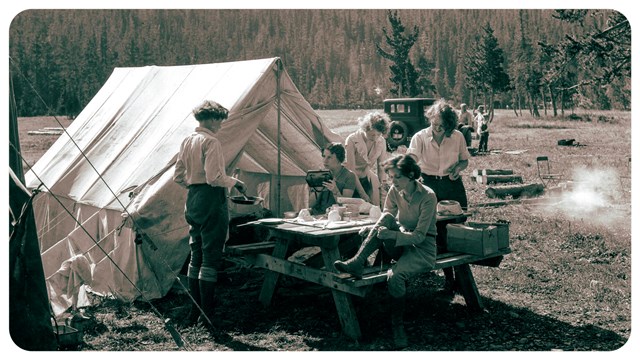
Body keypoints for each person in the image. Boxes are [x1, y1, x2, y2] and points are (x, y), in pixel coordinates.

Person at [334, 154, 437, 349]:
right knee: (387, 218)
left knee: (395, 277)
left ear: (412, 174)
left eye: (397, 177)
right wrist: (374, 229)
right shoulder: (394, 190)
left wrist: (390, 235)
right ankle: (358, 261)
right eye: (391, 177)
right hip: (400, 243)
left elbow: (420, 236)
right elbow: (386, 218)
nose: (393, 181)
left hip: (422, 249)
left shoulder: (428, 196)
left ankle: (397, 325)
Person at [173, 100, 246, 330]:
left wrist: (194, 187)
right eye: (220, 121)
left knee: (196, 255)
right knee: (211, 257)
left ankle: (195, 310)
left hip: (193, 200)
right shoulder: (211, 142)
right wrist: (235, 181)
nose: (221, 125)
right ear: (213, 119)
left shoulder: (187, 141)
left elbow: (178, 176)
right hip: (211, 199)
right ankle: (207, 314)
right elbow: (215, 178)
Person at [407, 99, 470, 292]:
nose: (437, 128)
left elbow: (464, 160)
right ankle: (448, 277)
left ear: (450, 125)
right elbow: (412, 157)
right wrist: (410, 166)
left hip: (452, 185)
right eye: (434, 124)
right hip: (429, 183)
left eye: (442, 126)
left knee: (458, 226)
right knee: (437, 230)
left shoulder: (458, 136)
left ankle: (462, 277)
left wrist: (458, 168)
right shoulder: (420, 137)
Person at [345, 111, 390, 207]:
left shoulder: (381, 141)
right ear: (365, 129)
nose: (375, 138)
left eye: (378, 135)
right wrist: (363, 194)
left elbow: (382, 169)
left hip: (367, 177)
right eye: (372, 135)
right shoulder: (352, 140)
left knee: (374, 207)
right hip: (350, 180)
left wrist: (383, 193)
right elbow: (351, 171)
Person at [309, 142, 359, 215]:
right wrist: (317, 189)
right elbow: (310, 205)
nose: (325, 161)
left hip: (337, 216)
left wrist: (335, 191)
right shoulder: (320, 174)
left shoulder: (349, 176)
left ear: (339, 159)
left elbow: (345, 206)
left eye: (329, 157)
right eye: (324, 156)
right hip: (318, 215)